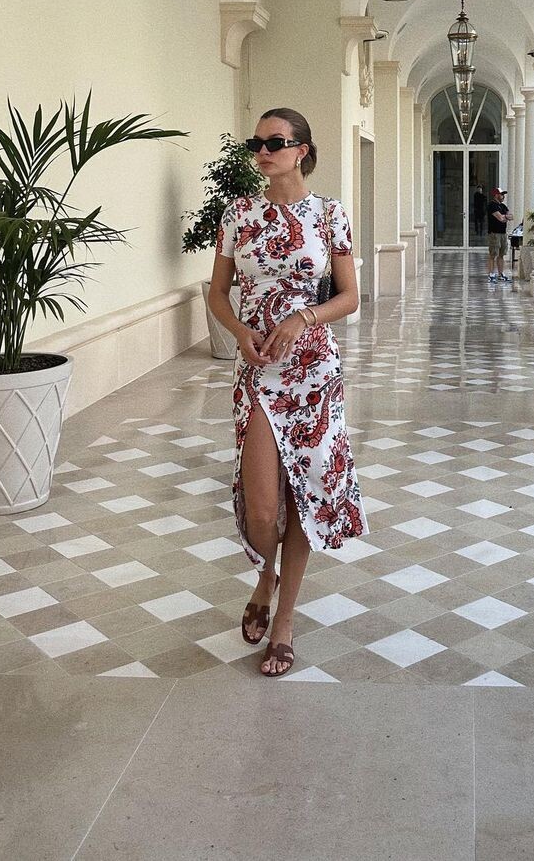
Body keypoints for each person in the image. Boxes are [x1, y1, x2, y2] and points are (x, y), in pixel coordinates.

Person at [208, 107, 367, 677]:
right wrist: (239, 333)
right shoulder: (238, 213)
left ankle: (285, 620)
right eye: (256, 143)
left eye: (274, 142)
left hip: (313, 372)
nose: (262, 152)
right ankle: (265, 576)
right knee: (261, 506)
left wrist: (303, 318)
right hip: (257, 371)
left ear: (302, 150)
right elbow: (218, 293)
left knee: (303, 497)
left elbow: (349, 296)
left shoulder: (329, 214)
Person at [487, 186, 512, 282]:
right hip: (494, 233)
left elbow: (511, 216)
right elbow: (501, 218)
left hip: (503, 233)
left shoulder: (503, 206)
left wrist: (504, 217)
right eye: (501, 194)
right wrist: (505, 217)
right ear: (496, 195)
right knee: (493, 254)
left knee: (501, 254)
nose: (503, 196)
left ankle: (501, 274)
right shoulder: (492, 205)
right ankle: (491, 274)